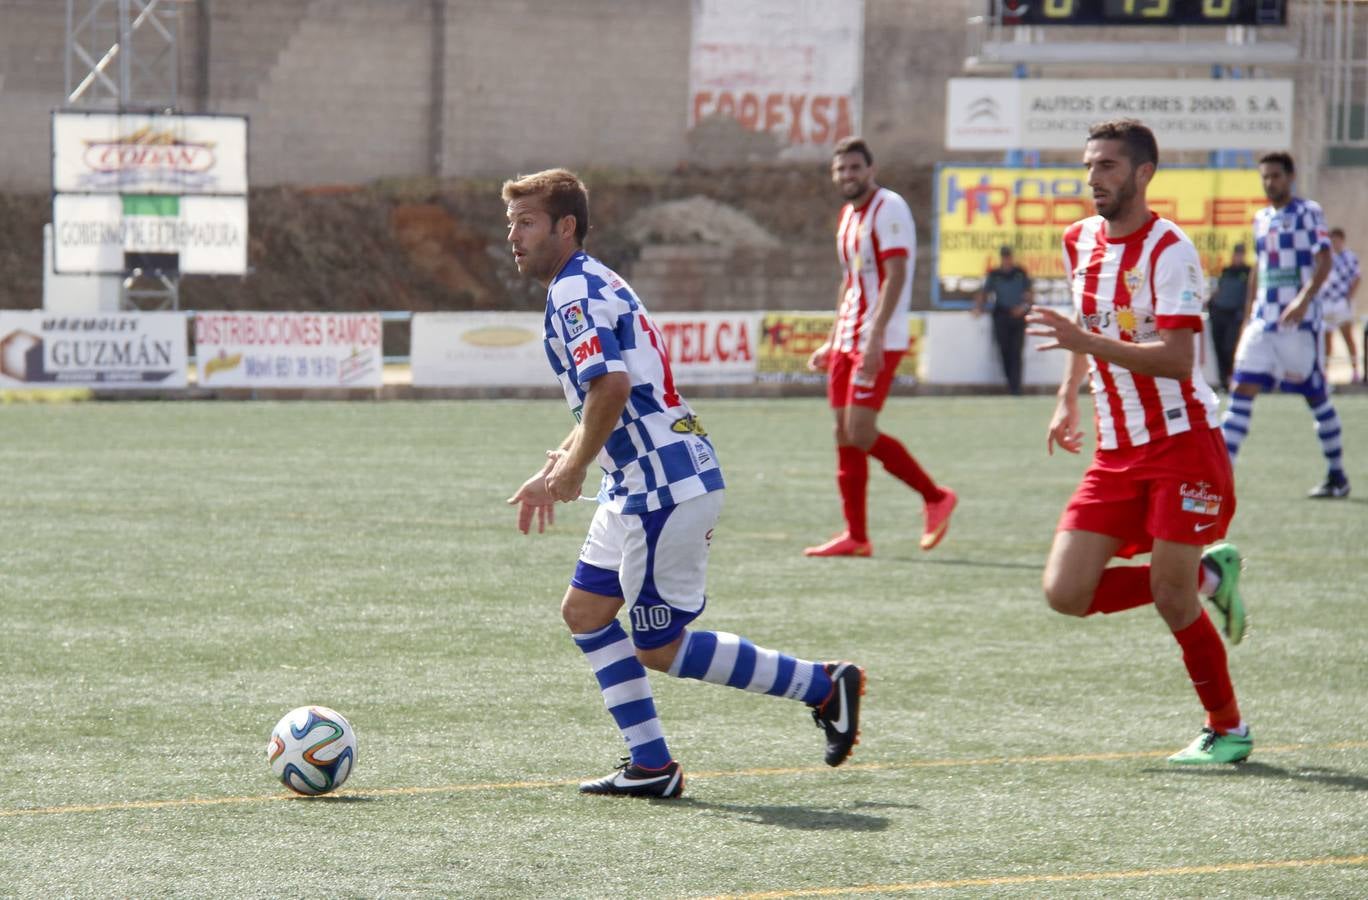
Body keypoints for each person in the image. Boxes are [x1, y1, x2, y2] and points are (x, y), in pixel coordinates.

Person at [501, 168, 865, 799]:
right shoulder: (585, 282)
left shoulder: (572, 294)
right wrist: (556, 466)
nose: (514, 234)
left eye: (526, 221)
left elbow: (611, 389)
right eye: (511, 223)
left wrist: (577, 466)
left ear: (566, 226)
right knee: (586, 612)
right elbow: (609, 395)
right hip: (642, 483)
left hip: (663, 488)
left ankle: (823, 685)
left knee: (658, 647)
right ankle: (651, 765)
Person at [1025, 119, 1252, 765]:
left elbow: (1180, 360)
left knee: (1169, 596)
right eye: (1090, 165)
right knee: (1065, 593)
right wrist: (1068, 394)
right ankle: (1211, 574)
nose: (1094, 178)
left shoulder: (1170, 249)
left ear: (1144, 173)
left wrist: (1086, 345)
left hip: (1184, 444)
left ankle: (1229, 728)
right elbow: (1085, 324)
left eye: (1109, 167)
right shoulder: (1079, 241)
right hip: (1116, 451)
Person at [804, 137, 957, 558]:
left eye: (855, 168)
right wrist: (834, 338)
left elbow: (896, 275)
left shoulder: (889, 208)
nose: (848, 176)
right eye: (841, 170)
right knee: (843, 434)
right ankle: (856, 537)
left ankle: (935, 496)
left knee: (860, 431)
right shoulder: (847, 216)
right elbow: (849, 282)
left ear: (870, 170)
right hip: (848, 339)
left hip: (879, 339)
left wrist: (873, 337)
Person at [1219, 152, 1349, 499]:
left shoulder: (1309, 212)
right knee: (1240, 392)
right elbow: (1259, 270)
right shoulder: (1261, 219)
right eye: (1265, 176)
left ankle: (1337, 475)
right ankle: (1220, 475)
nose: (1269, 182)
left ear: (1290, 177)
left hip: (1299, 325)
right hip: (1263, 323)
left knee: (1316, 397)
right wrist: (1248, 318)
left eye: (1275, 176)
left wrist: (1303, 300)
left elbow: (1324, 259)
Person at [974, 246, 1034, 395]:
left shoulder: (1020, 273)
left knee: (1017, 351)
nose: (1007, 259)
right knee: (1004, 351)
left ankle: (1016, 387)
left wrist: (1024, 308)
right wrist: (978, 307)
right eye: (1004, 256)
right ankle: (1010, 383)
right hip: (1001, 316)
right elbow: (985, 292)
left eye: (1009, 256)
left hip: (1018, 315)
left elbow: (1029, 294)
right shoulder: (994, 274)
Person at [1319, 227, 1361, 383]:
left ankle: (1355, 371)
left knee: (1348, 337)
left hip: (1341, 302)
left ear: (1342, 241)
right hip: (1326, 303)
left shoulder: (1349, 257)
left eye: (1337, 240)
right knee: (1326, 340)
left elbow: (1357, 277)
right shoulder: (1325, 257)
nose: (1334, 243)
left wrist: (1348, 298)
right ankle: (1325, 373)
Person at [1208, 244, 1250, 390]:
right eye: (1236, 253)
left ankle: (1232, 378)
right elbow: (1216, 289)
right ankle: (1223, 382)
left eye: (1241, 254)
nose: (1238, 257)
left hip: (1235, 314)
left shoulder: (1247, 271)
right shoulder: (1225, 271)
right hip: (1218, 313)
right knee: (1219, 348)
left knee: (1230, 347)